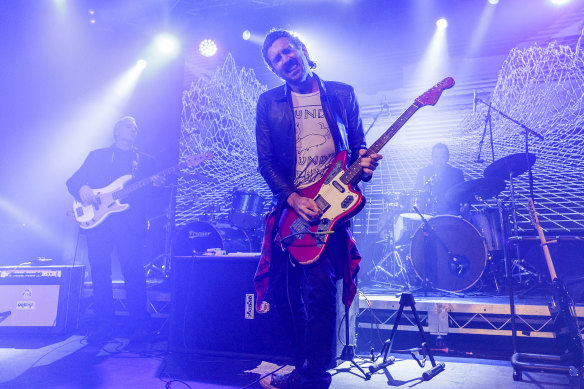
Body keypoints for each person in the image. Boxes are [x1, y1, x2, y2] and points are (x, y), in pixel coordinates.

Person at [254, 29, 382, 389]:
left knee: (319, 291)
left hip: (331, 211)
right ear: (274, 69)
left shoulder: (342, 94)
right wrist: (293, 199)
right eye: (276, 59)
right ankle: (301, 363)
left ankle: (314, 375)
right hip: (292, 207)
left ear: (303, 50)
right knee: (281, 291)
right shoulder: (269, 103)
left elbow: (358, 149)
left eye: (287, 51)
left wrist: (366, 166)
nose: (285, 60)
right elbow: (266, 163)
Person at [67, 116, 163, 342]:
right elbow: (73, 181)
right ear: (116, 130)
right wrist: (82, 188)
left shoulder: (145, 161)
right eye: (129, 125)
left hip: (129, 223)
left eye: (136, 126)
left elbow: (152, 192)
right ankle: (104, 326)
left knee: (134, 272)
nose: (134, 129)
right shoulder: (97, 156)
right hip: (99, 222)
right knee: (100, 272)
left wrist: (158, 185)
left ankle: (139, 326)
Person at [414, 143, 464, 215]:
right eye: (436, 157)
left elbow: (463, 195)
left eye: (442, 157)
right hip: (427, 213)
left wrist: (465, 206)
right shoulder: (422, 173)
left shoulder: (457, 173)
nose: (439, 161)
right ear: (432, 157)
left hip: (450, 214)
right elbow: (416, 192)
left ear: (447, 158)